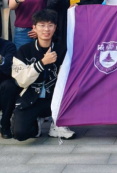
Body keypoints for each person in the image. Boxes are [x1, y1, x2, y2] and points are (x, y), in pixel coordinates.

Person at [11, 9, 74, 140]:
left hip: (55, 99)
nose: (46, 29)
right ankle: (37, 122)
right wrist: (42, 63)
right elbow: (22, 81)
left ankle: (57, 124)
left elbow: (67, 80)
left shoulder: (62, 50)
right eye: (42, 25)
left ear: (55, 28)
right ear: (34, 28)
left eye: (50, 25)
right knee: (20, 134)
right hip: (31, 99)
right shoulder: (24, 51)